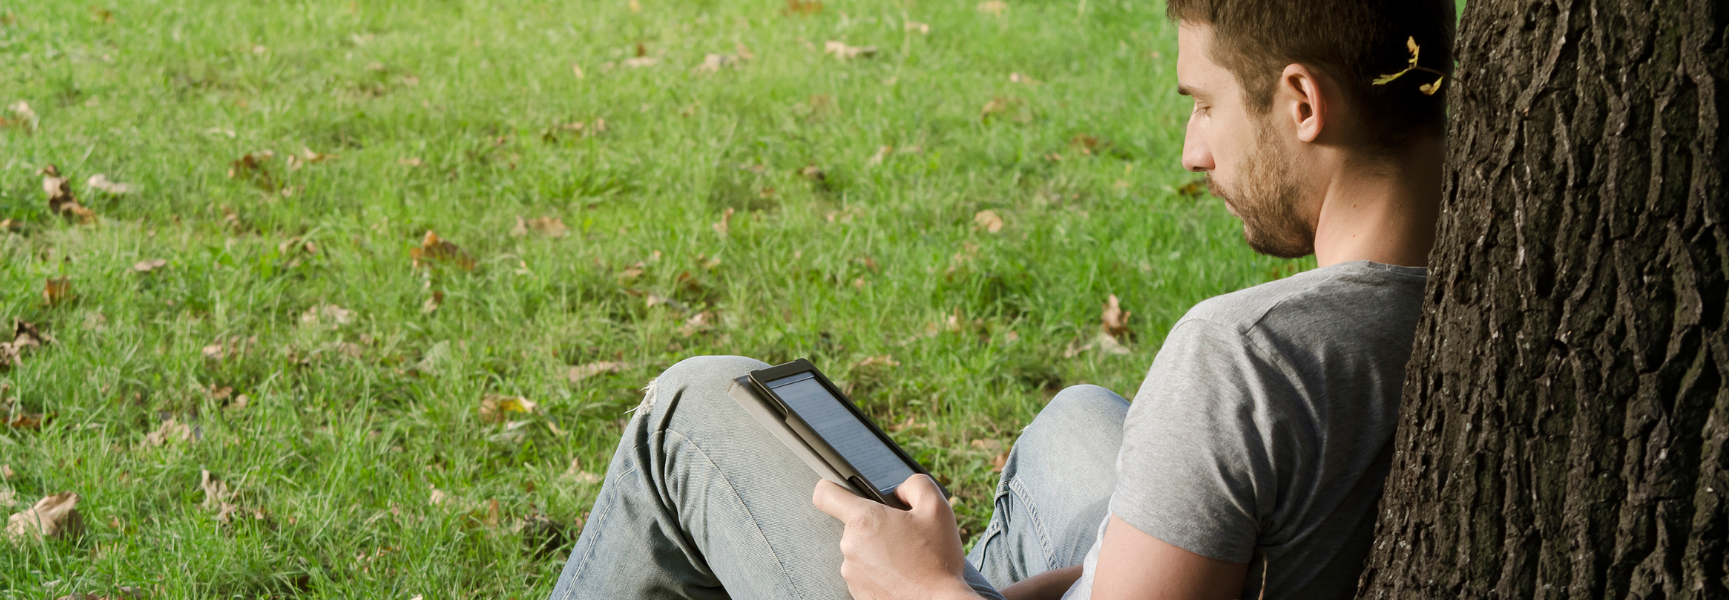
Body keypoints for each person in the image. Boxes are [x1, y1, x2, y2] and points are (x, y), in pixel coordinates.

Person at [547, 0, 1453, 598]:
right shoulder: (1471, 309)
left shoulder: (1245, 357)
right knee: (1082, 420)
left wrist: (928, 590)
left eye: (1205, 103)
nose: (1191, 150)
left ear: (1301, 101)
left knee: (696, 405)